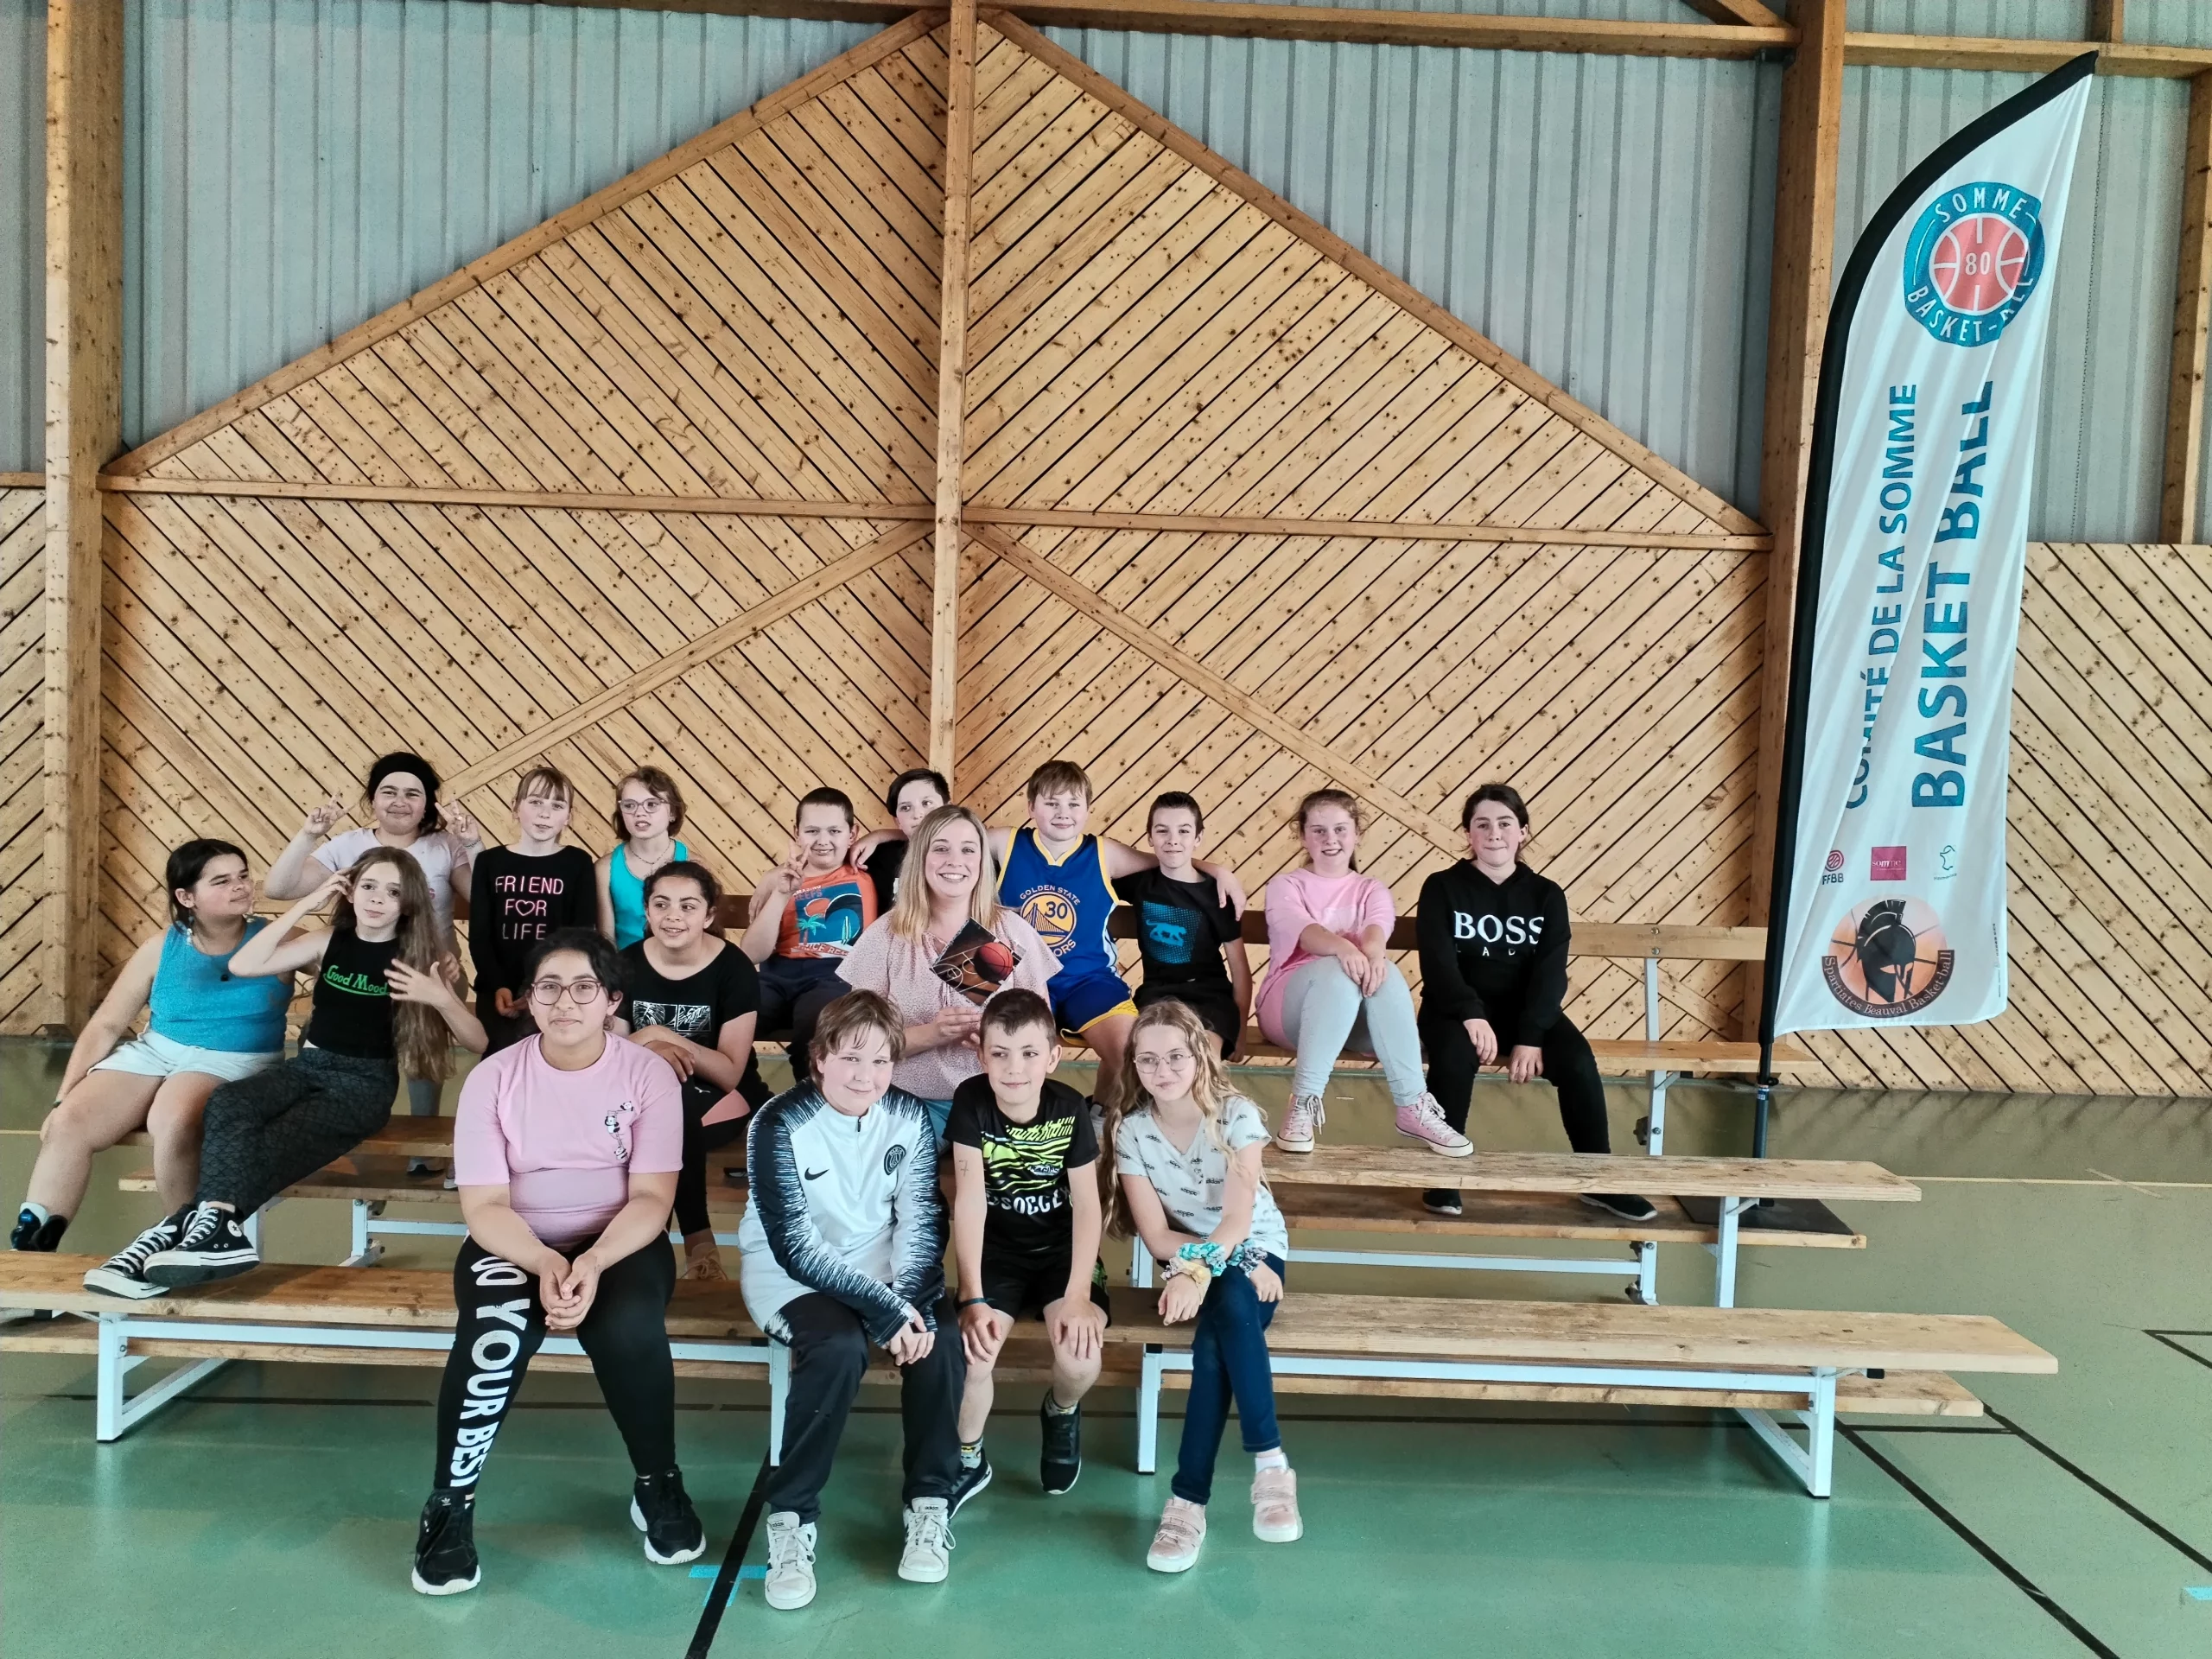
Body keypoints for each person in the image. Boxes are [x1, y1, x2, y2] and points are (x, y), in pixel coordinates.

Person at [410, 927, 704, 1596]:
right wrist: (545, 1263)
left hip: (619, 1242)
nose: (564, 1001)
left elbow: (653, 1199)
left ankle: (659, 1483)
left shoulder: (648, 1075)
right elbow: (484, 1207)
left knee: (627, 1326)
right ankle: (449, 1507)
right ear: (528, 998)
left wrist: (591, 1263)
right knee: (494, 1332)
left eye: (582, 988)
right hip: (516, 1241)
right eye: (549, 987)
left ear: (612, 1000)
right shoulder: (493, 1079)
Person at [99, 851, 486, 1295]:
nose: (378, 898)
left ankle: (180, 1227)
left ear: (408, 903)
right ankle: (211, 1229)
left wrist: (440, 998)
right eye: (368, 886)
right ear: (350, 892)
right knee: (228, 1102)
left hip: (362, 1085)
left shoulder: (420, 957)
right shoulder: (327, 940)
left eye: (393, 891)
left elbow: (477, 1041)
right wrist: (306, 904)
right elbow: (243, 965)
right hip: (309, 1067)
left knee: (268, 1141)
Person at [738, 992, 968, 1611]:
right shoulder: (777, 1123)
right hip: (790, 1276)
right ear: (819, 1058)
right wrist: (887, 1313)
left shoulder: (910, 1117)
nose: (866, 1076)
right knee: (839, 1348)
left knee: (942, 1340)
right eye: (850, 1058)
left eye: (881, 1061)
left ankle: (929, 1503)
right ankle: (791, 1518)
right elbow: (794, 1245)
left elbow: (921, 1219)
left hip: (883, 1267)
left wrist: (908, 1300)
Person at [855, 760, 1244, 1104]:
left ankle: (1100, 1110)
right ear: (1031, 807)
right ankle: (982, 1108)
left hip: (1085, 979)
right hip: (1009, 970)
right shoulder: (1007, 842)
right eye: (1051, 803)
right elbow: (947, 836)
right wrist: (882, 835)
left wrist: (1217, 869)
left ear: (1088, 809)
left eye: (1073, 804)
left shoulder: (1104, 853)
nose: (1063, 813)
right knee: (971, 1036)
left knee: (1130, 1050)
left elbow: (1168, 859)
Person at [10, 842, 295, 1299]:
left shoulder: (281, 938)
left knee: (174, 1116)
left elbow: (344, 960)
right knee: (69, 1123)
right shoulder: (162, 946)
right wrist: (64, 1096)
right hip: (157, 1051)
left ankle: (187, 1247)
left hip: (235, 1057)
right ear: (187, 897)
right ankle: (31, 1262)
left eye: (242, 875)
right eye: (222, 881)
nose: (241, 887)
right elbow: (107, 1024)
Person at [1103, 1001, 1302, 1572]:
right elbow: (1157, 1236)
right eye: (1147, 1060)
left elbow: (1238, 1221)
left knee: (1221, 1328)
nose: (1161, 1070)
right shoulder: (1133, 1131)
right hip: (1207, 1255)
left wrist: (1202, 1270)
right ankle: (1269, 1466)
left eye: (1174, 1057)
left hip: (1257, 1247)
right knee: (1225, 1319)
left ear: (1199, 1057)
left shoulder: (1236, 1116)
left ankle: (1189, 1503)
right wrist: (1204, 1265)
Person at [1416, 784, 1655, 1223]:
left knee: (1578, 1061)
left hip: (1523, 1012)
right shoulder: (1442, 887)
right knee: (1452, 1057)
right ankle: (1441, 1175)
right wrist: (1470, 1013)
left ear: (1522, 831)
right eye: (1482, 824)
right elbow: (1437, 963)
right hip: (1454, 1010)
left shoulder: (1546, 894)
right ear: (1468, 833)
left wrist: (1531, 1036)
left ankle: (1598, 1179)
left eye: (1505, 823)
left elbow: (1550, 972)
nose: (1494, 833)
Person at [264, 753, 485, 1160]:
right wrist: (309, 835)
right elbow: (279, 889)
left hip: (429, 973)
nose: (400, 801)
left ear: (428, 804)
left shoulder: (444, 846)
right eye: (389, 792)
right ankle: (329, 1130)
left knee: (421, 1046)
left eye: (412, 794)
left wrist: (472, 844)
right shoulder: (350, 845)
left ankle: (422, 1144)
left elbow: (487, 900)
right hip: (354, 973)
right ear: (373, 798)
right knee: (330, 1028)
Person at [946, 989, 1109, 1508]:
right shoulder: (972, 1101)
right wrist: (972, 1296)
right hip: (998, 1255)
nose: (1014, 1068)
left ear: (1053, 1057)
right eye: (1000, 1053)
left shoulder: (1068, 1108)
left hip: (1062, 1255)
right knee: (972, 1357)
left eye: (1029, 1053)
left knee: (1080, 1359)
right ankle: (968, 1459)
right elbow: (969, 1200)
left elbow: (1088, 1206)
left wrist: (1078, 1294)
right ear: (982, 1056)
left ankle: (1061, 1411)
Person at [1255, 788, 1465, 1159]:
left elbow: (1376, 930)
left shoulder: (1371, 889)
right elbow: (1304, 930)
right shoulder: (1286, 885)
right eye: (1319, 830)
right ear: (1303, 836)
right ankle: (1303, 1103)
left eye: (1340, 829)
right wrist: (1344, 948)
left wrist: (1370, 953)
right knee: (1337, 971)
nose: (1330, 839)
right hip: (1289, 1011)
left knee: (1385, 971)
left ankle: (1412, 1105)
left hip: (1353, 1018)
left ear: (1356, 834)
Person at [836, 805, 1058, 1143]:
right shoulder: (886, 935)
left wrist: (999, 1043)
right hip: (910, 1103)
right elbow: (855, 1044)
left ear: (982, 862)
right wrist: (931, 1034)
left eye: (968, 850)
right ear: (920, 858)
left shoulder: (1012, 932)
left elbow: (1043, 1034)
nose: (955, 861)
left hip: (999, 1100)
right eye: (941, 848)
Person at [616, 864, 758, 1281]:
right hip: (645, 1094)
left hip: (723, 1095)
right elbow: (615, 1057)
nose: (673, 916)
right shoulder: (626, 964)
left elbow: (729, 1072)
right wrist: (655, 1048)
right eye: (661, 904)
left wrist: (661, 1036)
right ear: (646, 911)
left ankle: (685, 1243)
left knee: (671, 1113)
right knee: (660, 1107)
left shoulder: (734, 968)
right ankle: (657, 1244)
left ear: (709, 916)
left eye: (688, 906)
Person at [740, 787, 878, 1086]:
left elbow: (919, 833)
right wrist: (781, 892)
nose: (823, 841)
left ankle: (810, 1095)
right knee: (734, 1009)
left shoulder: (871, 869)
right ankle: (747, 1089)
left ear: (852, 834)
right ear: (796, 833)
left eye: (834, 831)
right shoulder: (780, 880)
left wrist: (879, 836)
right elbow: (751, 954)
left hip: (836, 974)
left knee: (819, 1020)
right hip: (777, 974)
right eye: (812, 831)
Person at [468, 766, 597, 1054]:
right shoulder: (489, 862)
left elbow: (580, 936)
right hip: (497, 989)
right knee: (500, 1058)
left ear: (569, 817)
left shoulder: (577, 862)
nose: (545, 813)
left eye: (557, 805)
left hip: (556, 988)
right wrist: (499, 985)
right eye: (536, 802)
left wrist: (542, 987)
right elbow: (479, 935)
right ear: (516, 807)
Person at [1116, 792, 1252, 1058]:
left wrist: (1242, 1031)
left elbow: (1241, 971)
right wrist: (1218, 867)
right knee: (1139, 1052)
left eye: (1184, 831)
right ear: (1149, 837)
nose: (1173, 840)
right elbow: (1099, 859)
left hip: (1209, 997)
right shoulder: (1139, 882)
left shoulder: (1217, 894)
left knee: (1203, 1057)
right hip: (1156, 995)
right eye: (1162, 831)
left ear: (1198, 838)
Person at [596, 766, 690, 950]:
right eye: (629, 805)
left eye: (652, 804)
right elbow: (607, 942)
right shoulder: (604, 869)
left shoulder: (693, 864)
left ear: (672, 812)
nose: (639, 813)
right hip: (624, 964)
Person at [860, 768, 948, 913]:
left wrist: (879, 834)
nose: (918, 814)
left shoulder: (971, 854)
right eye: (906, 808)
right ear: (897, 821)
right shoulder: (880, 858)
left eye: (927, 803)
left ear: (948, 808)